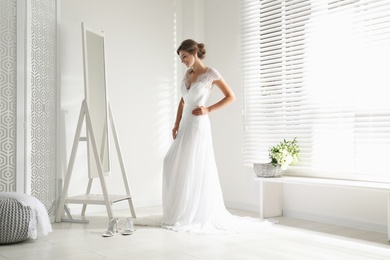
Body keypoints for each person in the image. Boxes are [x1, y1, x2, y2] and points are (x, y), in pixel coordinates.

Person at [161, 39, 271, 234]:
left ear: (194, 53)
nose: (182, 61)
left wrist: (208, 109)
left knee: (195, 165)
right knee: (172, 162)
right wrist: (176, 123)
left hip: (198, 125)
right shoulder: (188, 74)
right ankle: (181, 211)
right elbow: (182, 101)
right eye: (180, 58)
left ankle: (195, 213)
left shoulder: (210, 74)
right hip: (185, 123)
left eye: (184, 56)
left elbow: (231, 96)